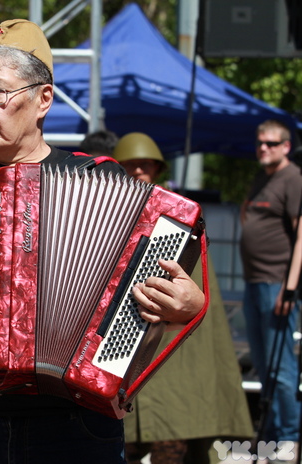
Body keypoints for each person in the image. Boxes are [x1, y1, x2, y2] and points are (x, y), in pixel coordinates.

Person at [0, 19, 205, 463]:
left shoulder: (102, 180)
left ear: (43, 99)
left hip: (76, 423)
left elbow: (181, 295)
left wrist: (187, 305)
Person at [113, 132, 253, 464]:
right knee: (122, 442)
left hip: (173, 348)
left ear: (157, 169)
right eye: (129, 166)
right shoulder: (111, 214)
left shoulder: (180, 215)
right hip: (123, 348)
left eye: (143, 166)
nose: (137, 173)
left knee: (172, 433)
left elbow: (203, 293)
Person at [240, 119, 302, 461]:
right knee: (263, 366)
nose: (263, 148)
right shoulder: (262, 176)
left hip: (276, 285)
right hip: (254, 282)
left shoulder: (293, 179)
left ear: (286, 146)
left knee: (281, 370)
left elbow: (301, 235)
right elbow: (249, 213)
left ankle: (289, 438)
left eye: (271, 143)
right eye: (260, 142)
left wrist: (290, 288)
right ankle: (274, 435)